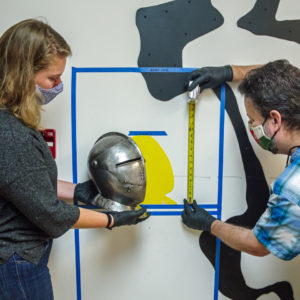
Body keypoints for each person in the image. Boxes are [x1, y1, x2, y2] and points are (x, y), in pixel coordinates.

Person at [0, 19, 150, 300]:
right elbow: (50, 214)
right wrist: (111, 220)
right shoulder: (9, 133)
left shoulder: (14, 123)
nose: (58, 86)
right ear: (22, 74)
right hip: (16, 265)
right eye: (52, 79)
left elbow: (25, 184)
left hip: (21, 260)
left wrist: (78, 190)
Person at [182, 60, 300, 261]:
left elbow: (258, 245)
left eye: (252, 120)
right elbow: (286, 78)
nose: (251, 127)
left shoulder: (292, 187)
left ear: (275, 120)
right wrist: (229, 72)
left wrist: (209, 223)